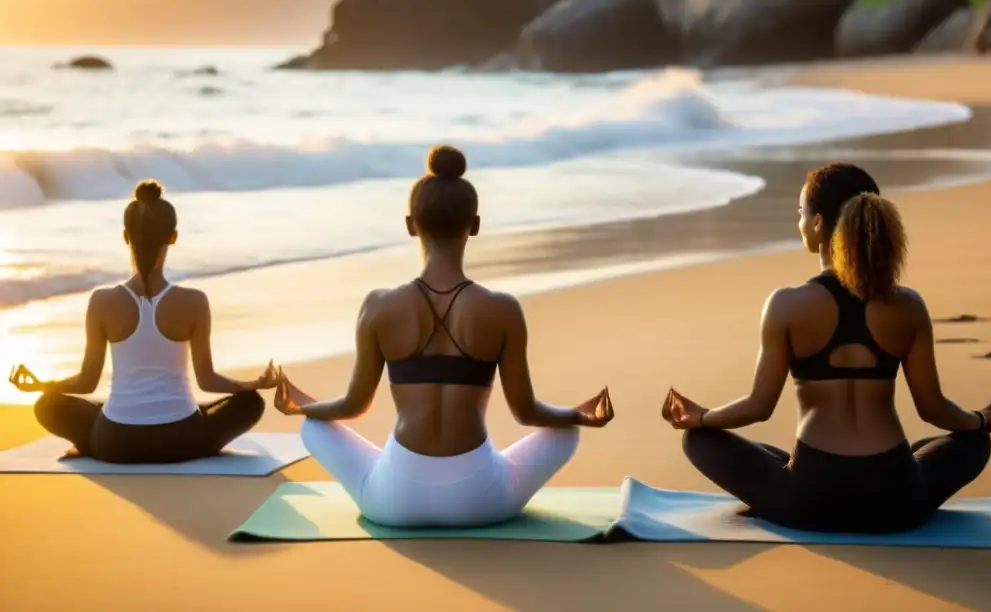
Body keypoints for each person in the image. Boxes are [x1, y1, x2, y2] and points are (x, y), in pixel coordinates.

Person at [663, 162, 991, 533]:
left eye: (801, 213)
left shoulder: (787, 305)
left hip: (810, 499)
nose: (799, 222)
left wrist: (702, 417)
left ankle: (783, 472)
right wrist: (981, 421)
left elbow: (759, 406)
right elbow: (934, 409)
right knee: (971, 444)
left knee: (699, 441)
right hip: (896, 499)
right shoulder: (907, 305)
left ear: (818, 224)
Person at [274, 144, 614, 528]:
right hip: (482, 502)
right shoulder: (502, 309)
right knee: (565, 433)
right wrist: (576, 414)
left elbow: (354, 405)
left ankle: (375, 467)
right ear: (475, 225)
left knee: (313, 426)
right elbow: (526, 413)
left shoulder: (379, 306)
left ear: (410, 224)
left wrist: (304, 408)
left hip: (394, 503)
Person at [8, 180, 277, 464]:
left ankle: (89, 444)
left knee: (49, 404)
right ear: (173, 237)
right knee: (250, 403)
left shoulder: (102, 301)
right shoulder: (194, 302)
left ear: (126, 236)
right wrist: (253, 384)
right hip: (182, 440)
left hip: (114, 442)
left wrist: (42, 385)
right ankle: (198, 435)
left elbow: (87, 382)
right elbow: (207, 380)